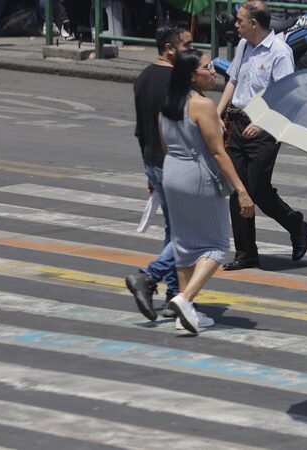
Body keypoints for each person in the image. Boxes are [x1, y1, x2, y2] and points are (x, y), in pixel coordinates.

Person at [160, 48, 256, 333]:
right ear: (192, 75)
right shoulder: (202, 105)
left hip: (172, 173)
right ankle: (185, 299)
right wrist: (241, 189)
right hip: (197, 176)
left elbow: (164, 144)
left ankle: (184, 314)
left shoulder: (168, 103)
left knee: (184, 244)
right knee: (216, 246)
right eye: (207, 67)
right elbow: (217, 153)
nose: (213, 71)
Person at [216, 1, 307, 271]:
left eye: (240, 20)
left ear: (254, 23)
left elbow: (285, 95)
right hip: (239, 121)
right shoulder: (243, 45)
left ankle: (295, 224)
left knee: (257, 189)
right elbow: (232, 80)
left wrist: (263, 122)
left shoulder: (280, 52)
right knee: (239, 188)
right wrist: (218, 113)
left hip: (266, 127)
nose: (236, 24)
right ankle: (246, 253)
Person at [125, 24, 192, 322]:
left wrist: (149, 172)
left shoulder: (143, 78)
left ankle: (172, 294)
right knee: (187, 235)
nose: (191, 51)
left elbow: (141, 130)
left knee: (175, 230)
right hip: (172, 165)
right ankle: (148, 277)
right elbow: (171, 130)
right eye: (187, 46)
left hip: (153, 163)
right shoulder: (173, 82)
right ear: (169, 49)